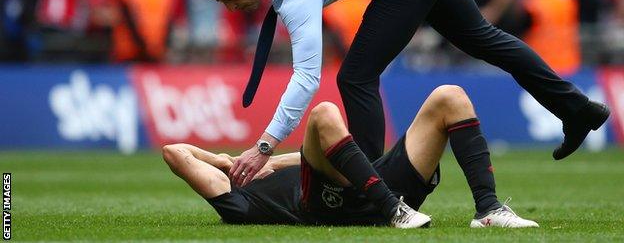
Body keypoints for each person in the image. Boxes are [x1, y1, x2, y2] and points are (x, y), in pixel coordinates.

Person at [199, 0, 610, 186]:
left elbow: (306, 77)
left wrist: (263, 146)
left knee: (356, 77)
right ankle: (577, 109)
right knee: (486, 40)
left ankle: (375, 188)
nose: (231, 7)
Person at [163, 85, 539, 228]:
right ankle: (394, 211)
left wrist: (274, 161)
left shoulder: (275, 167)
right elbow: (174, 153)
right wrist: (224, 162)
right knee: (324, 112)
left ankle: (488, 210)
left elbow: (323, 157)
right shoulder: (236, 200)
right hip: (327, 205)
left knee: (450, 97)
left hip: (369, 183)